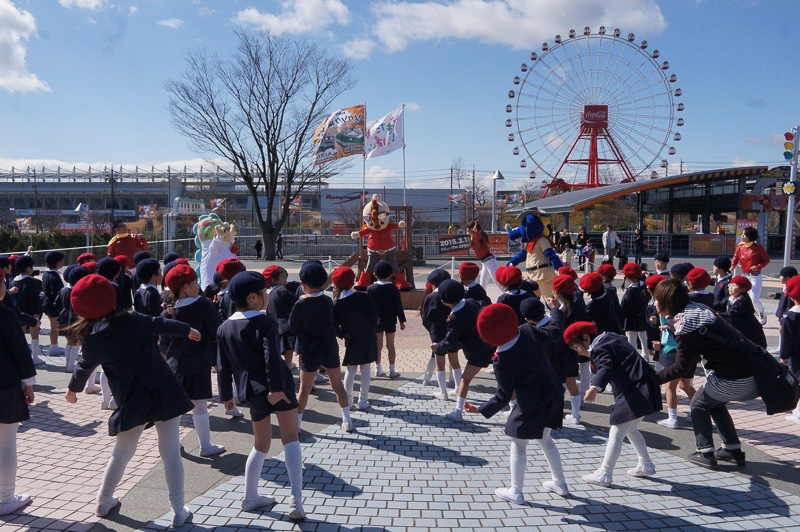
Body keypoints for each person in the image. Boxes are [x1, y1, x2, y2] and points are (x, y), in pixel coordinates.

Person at [65, 274, 197, 527]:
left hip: (132, 400)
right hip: (163, 389)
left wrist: (73, 389)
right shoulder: (131, 319)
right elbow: (158, 323)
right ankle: (179, 510)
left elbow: (83, 367)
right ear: (112, 297)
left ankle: (103, 501)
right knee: (170, 452)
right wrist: (186, 330)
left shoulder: (93, 340)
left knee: (122, 452)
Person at [216, 271, 304, 520]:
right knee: (291, 438)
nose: (267, 296)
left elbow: (222, 365)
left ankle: (250, 496)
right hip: (278, 388)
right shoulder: (265, 322)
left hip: (249, 392)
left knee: (260, 444)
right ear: (253, 297)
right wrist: (276, 389)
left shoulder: (224, 327)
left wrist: (226, 396)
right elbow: (271, 358)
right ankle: (296, 501)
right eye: (264, 292)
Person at [466, 303, 569, 501]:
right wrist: (556, 309)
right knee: (545, 439)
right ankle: (560, 483)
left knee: (518, 443)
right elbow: (555, 331)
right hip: (554, 392)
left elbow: (503, 395)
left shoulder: (501, 359)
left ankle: (516, 491)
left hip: (531, 403)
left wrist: (480, 409)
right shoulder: (527, 330)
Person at [655, 278, 758, 467]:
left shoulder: (687, 323)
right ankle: (733, 449)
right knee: (714, 403)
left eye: (656, 298)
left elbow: (681, 367)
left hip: (734, 378)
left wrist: (651, 379)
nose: (654, 303)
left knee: (698, 404)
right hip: (751, 373)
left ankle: (706, 453)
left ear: (665, 300)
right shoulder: (698, 309)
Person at [566, 321, 661, 487]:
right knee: (630, 428)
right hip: (645, 387)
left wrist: (594, 387)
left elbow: (605, 366)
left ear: (586, 338)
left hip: (636, 390)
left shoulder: (599, 347)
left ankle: (605, 473)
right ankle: (646, 463)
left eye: (577, 347)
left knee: (617, 430)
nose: (579, 352)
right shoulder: (609, 338)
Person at [161, 264, 225, 457]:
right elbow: (217, 330)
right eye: (194, 283)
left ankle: (173, 444)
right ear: (185, 288)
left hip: (175, 364)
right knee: (200, 407)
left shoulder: (169, 310)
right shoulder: (203, 304)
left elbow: (163, 342)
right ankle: (205, 446)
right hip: (198, 363)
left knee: (177, 409)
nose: (198, 286)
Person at [289, 262, 353, 433]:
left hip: (309, 349)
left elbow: (292, 327)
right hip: (329, 346)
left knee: (304, 388)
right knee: (337, 385)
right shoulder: (327, 300)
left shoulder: (301, 304)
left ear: (303, 284)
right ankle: (347, 420)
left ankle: (296, 424)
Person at [0, 268, 37, 515]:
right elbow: (20, 351)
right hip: (5, 385)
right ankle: (4, 498)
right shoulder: (4, 315)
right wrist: (29, 383)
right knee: (5, 442)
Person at [433, 280, 495, 421]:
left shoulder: (455, 317)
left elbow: (450, 339)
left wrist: (437, 347)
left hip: (477, 352)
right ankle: (514, 406)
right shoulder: (471, 302)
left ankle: (458, 412)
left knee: (464, 380)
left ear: (443, 301)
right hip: (492, 345)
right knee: (505, 379)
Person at [332, 266, 378, 411]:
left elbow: (333, 325)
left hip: (351, 337)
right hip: (368, 335)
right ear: (353, 281)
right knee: (366, 368)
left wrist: (343, 334)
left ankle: (349, 401)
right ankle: (363, 401)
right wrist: (372, 327)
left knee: (351, 369)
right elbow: (374, 316)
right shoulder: (362, 296)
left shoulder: (337, 302)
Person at [421, 269, 460, 399]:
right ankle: (458, 388)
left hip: (437, 332)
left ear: (433, 284)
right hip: (453, 331)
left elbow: (425, 317)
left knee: (440, 362)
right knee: (455, 361)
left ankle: (443, 392)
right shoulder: (455, 293)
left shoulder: (431, 297)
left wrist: (430, 329)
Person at [366, 260, 406, 378]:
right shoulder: (393, 289)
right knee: (391, 345)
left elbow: (367, 306)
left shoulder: (371, 288)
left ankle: (378, 368)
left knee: (378, 345)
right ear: (390, 274)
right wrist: (402, 321)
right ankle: (392, 369)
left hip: (375, 321)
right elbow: (398, 306)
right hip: (390, 320)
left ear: (375, 274)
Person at [730, 226, 769, 325]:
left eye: (744, 235)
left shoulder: (758, 248)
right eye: (742, 234)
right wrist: (732, 266)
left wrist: (758, 266)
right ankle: (746, 315)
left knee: (754, 298)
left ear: (749, 236)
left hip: (755, 276)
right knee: (739, 297)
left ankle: (761, 312)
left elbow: (766, 260)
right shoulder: (740, 247)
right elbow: (735, 257)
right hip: (744, 276)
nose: (742, 236)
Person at [11, 255, 44, 365]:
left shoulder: (13, 281)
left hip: (17, 312)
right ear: (28, 268)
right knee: (34, 333)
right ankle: (35, 357)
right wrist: (37, 314)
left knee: (20, 336)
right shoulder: (30, 281)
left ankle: (21, 358)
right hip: (30, 312)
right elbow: (34, 298)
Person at [264, 265, 298, 368]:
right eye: (283, 278)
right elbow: (295, 302)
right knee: (289, 347)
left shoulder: (268, 293)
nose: (286, 281)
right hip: (285, 323)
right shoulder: (281, 290)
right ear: (274, 280)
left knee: (279, 346)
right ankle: (288, 364)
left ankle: (285, 363)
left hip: (274, 323)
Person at [722, 276, 767, 348]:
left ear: (743, 289)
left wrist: (716, 314)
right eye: (730, 285)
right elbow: (719, 304)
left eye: (734, 285)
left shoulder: (743, 300)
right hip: (740, 332)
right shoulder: (731, 298)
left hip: (750, 334)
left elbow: (731, 313)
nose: (730, 287)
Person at [780, 276, 800, 423]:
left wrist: (784, 356)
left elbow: (786, 339)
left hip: (796, 355)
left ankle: (798, 413)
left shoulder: (791, 316)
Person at [620, 263, 650, 361]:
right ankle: (646, 355)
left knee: (631, 337)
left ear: (628, 277)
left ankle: (633, 356)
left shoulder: (630, 290)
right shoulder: (645, 285)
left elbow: (624, 305)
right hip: (643, 314)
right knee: (643, 335)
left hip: (631, 316)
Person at [41, 251, 65, 356]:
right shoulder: (54, 276)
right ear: (57, 262)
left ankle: (54, 346)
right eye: (61, 261)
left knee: (54, 325)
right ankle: (53, 347)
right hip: (52, 304)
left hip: (47, 303)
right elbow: (57, 293)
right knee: (54, 326)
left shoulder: (46, 273)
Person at [467, 220, 498, 289]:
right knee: (482, 286)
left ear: (472, 230)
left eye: (468, 230)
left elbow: (479, 234)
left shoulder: (479, 235)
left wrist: (477, 230)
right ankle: (481, 298)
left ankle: (511, 296)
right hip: (485, 262)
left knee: (498, 282)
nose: (467, 232)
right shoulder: (474, 237)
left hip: (490, 261)